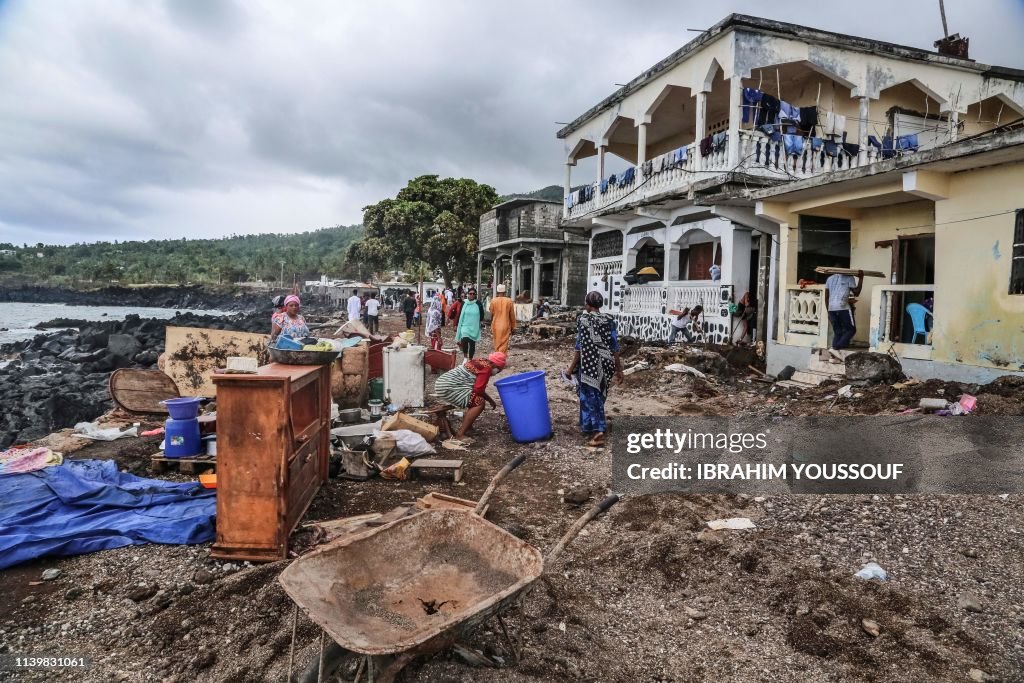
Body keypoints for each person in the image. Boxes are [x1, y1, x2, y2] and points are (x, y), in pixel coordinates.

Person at [565, 291, 623, 448]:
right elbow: (615, 345)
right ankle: (588, 426)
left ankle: (598, 432)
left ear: (588, 304)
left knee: (591, 396)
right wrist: (619, 369)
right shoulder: (610, 319)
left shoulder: (584, 319)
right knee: (598, 395)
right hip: (607, 363)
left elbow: (580, 346)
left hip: (590, 363)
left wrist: (570, 368)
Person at [434, 352, 506, 440]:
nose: (497, 373)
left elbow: (476, 388)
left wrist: (490, 400)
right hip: (449, 387)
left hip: (443, 383)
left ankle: (468, 428)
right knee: (479, 402)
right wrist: (488, 400)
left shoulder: (480, 361)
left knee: (473, 398)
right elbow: (478, 390)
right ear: (496, 366)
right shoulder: (487, 369)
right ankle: (460, 434)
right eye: (499, 370)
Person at [824, 269, 864, 355]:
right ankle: (836, 348)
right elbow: (856, 293)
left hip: (831, 308)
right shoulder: (849, 277)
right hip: (843, 308)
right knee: (851, 330)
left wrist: (828, 312)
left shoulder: (829, 279)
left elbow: (826, 297)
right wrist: (861, 278)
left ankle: (833, 354)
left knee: (838, 332)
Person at [454, 288, 484, 359]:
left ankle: (470, 359)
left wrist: (481, 322)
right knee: (464, 339)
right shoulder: (464, 303)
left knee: (472, 343)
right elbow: (460, 314)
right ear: (468, 294)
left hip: (474, 326)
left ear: (475, 295)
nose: (472, 295)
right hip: (465, 325)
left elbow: (482, 313)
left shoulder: (478, 303)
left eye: (474, 294)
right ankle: (465, 357)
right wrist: (456, 324)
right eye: (470, 293)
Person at [488, 283, 517, 354]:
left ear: (497, 292)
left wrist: (491, 325)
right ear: (505, 292)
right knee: (504, 343)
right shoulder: (509, 301)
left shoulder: (493, 301)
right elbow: (512, 315)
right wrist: (513, 327)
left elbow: (491, 313)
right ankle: (501, 358)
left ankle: (497, 359)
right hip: (505, 325)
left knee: (496, 342)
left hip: (495, 325)